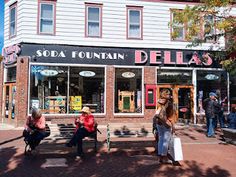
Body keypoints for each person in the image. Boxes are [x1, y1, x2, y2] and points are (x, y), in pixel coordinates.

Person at [153, 89, 175, 164]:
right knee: (166, 140)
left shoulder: (158, 102)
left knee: (161, 139)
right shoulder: (169, 103)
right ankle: (164, 157)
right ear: (165, 95)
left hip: (159, 123)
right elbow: (171, 116)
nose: (169, 95)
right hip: (166, 123)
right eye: (168, 94)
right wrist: (172, 125)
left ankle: (160, 156)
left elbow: (156, 113)